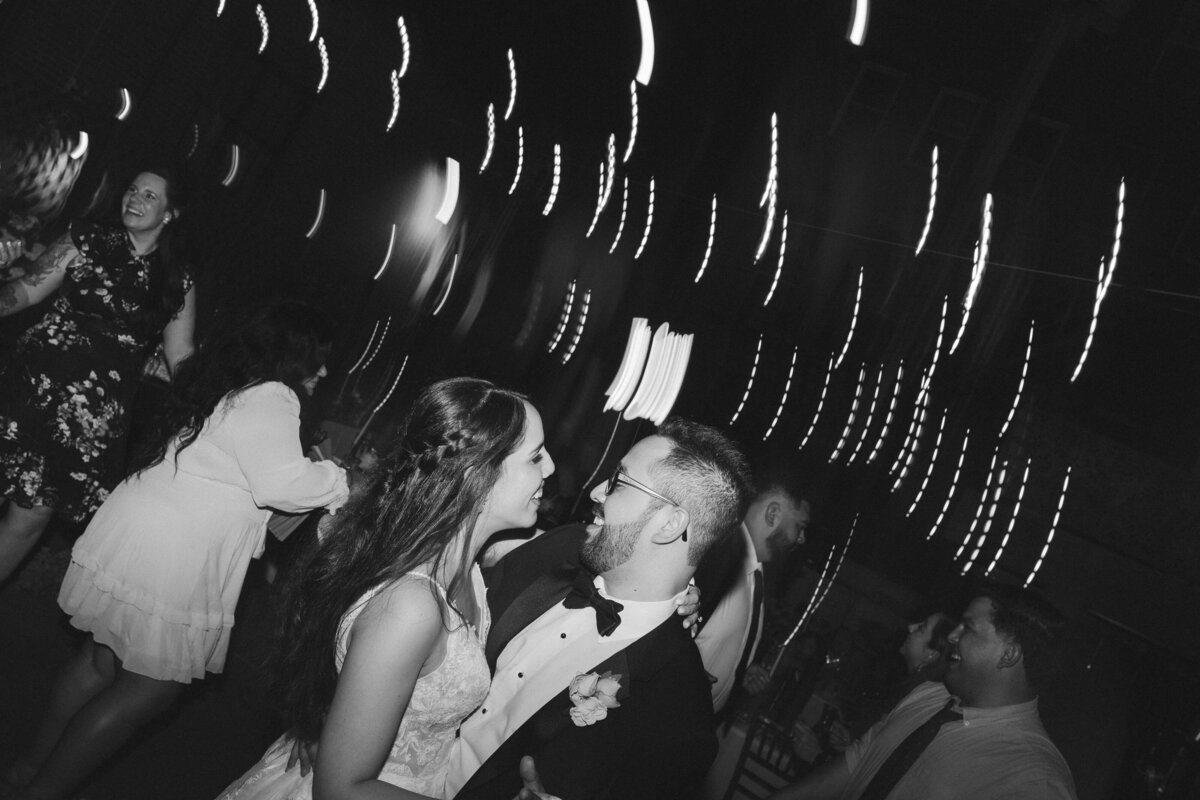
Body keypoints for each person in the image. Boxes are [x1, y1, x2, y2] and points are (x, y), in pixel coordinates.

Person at [3, 300, 348, 800]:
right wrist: (337, 478)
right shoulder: (274, 395)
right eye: (316, 359)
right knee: (147, 688)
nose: (321, 372)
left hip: (138, 524)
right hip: (176, 550)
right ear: (289, 355)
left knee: (99, 663)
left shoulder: (223, 381)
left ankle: (23, 773)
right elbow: (284, 485)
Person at [218, 377, 555, 799]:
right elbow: (340, 789)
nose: (551, 469)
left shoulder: (466, 569)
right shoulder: (410, 606)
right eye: (536, 457)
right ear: (478, 474)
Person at [446, 417, 753, 800]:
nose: (595, 492)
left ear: (670, 524)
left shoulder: (679, 720)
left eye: (619, 482)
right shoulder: (562, 547)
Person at [0, 167, 197, 584]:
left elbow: (180, 354)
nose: (134, 199)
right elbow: (29, 289)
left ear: (170, 213)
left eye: (149, 196)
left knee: (33, 513)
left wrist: (207, 405)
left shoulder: (177, 279)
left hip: (88, 417)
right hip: (32, 384)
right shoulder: (85, 239)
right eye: (132, 189)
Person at [768, 585, 1078, 800]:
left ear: (1009, 655)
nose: (953, 636)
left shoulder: (1036, 780)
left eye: (968, 628)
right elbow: (854, 767)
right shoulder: (925, 696)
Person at [695, 471, 811, 711]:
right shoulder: (719, 555)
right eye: (799, 527)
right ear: (773, 514)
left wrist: (739, 671)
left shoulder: (755, 576)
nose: (801, 539)